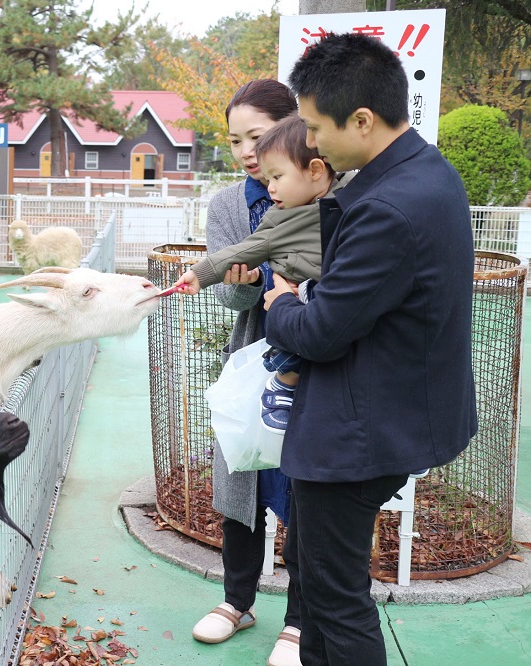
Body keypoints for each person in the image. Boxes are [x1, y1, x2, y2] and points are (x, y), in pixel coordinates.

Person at [262, 33, 477, 665]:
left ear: (362, 119)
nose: (312, 143)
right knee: (326, 582)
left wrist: (282, 304)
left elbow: (320, 332)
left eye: (315, 127)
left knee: (333, 597)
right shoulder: (427, 173)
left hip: (360, 433)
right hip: (398, 409)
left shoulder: (388, 206)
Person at [172, 79, 304, 666]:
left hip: (314, 361)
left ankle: (302, 618)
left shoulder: (325, 186)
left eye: (258, 136)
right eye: (235, 140)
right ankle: (237, 600)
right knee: (242, 481)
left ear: (290, 127)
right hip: (250, 359)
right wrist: (246, 288)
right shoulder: (228, 204)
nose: (248, 151)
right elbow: (228, 303)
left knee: (306, 488)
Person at [175, 112, 353, 434]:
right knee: (299, 330)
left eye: (277, 177)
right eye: (234, 140)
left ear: (315, 169)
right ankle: (283, 384)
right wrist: (200, 275)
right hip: (301, 299)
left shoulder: (353, 192)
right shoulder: (278, 219)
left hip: (346, 300)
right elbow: (240, 252)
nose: (270, 187)